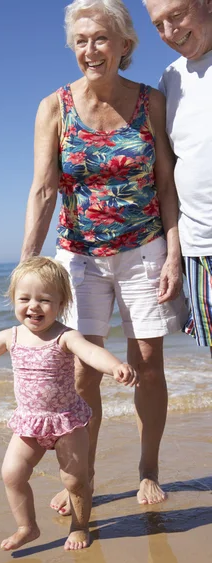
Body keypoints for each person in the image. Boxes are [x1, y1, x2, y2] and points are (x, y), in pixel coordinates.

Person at [20, 0, 189, 513]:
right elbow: (44, 189)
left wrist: (174, 255)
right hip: (79, 257)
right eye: (81, 41)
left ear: (123, 45)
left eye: (100, 39)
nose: (90, 50)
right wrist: (29, 262)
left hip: (144, 250)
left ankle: (148, 470)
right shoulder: (55, 106)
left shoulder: (151, 102)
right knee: (80, 374)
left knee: (147, 366)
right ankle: (82, 477)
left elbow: (166, 184)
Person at [0, 257, 138, 551]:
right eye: (25, 298)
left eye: (45, 299)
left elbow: (90, 352)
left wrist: (114, 366)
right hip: (29, 421)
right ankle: (27, 526)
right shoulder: (9, 337)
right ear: (13, 300)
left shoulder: (65, 336)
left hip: (66, 420)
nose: (34, 306)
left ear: (62, 303)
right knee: (12, 473)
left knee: (74, 480)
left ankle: (79, 526)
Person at [143, 0, 212, 355]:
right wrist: (173, 255)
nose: (170, 32)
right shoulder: (170, 80)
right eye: (158, 24)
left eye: (177, 15)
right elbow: (166, 173)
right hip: (200, 248)